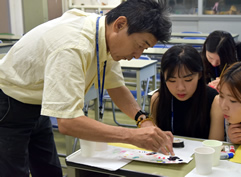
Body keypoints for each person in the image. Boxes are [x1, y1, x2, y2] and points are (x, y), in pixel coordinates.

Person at [0, 0, 174, 176]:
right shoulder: (74, 46)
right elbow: (68, 122)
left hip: (36, 100)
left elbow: (116, 87)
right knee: (13, 171)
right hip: (8, 103)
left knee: (49, 171)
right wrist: (132, 136)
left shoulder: (104, 36)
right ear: (120, 24)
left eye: (144, 49)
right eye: (139, 45)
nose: (138, 54)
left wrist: (143, 121)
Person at [150, 45, 224, 140]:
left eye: (188, 79)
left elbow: (215, 146)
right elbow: (154, 141)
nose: (180, 88)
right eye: (172, 80)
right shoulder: (158, 99)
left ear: (199, 75)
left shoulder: (214, 101)